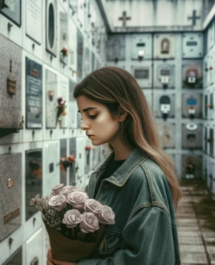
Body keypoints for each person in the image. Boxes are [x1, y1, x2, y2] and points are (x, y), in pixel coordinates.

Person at [47, 66, 181, 265]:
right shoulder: (102, 173)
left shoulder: (144, 179)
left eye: (92, 114)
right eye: (81, 115)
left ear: (121, 112)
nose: (83, 124)